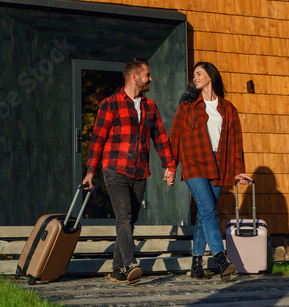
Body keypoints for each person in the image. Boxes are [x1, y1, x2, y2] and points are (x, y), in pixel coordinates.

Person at [82, 58, 177, 284]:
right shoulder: (110, 103)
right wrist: (90, 171)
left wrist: (170, 165)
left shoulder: (150, 106)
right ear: (135, 76)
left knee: (129, 221)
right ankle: (131, 263)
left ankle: (117, 270)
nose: (150, 78)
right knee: (123, 218)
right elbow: (97, 140)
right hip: (115, 169)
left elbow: (160, 138)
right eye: (147, 74)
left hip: (140, 171)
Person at [168, 61, 251, 281]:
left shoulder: (228, 108)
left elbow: (236, 143)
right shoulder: (188, 105)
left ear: (210, 77)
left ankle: (196, 264)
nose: (194, 78)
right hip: (194, 162)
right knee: (208, 210)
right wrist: (171, 165)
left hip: (219, 164)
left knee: (206, 214)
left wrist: (238, 170)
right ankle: (220, 257)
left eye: (199, 74)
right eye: (193, 75)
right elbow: (175, 136)